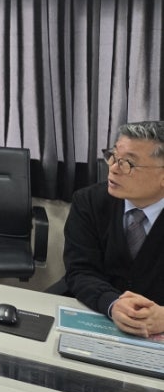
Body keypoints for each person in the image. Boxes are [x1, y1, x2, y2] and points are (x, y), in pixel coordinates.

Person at [61, 121, 164, 337]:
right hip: (98, 314)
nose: (114, 168)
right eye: (113, 156)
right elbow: (81, 270)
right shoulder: (88, 201)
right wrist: (113, 304)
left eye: (128, 163)